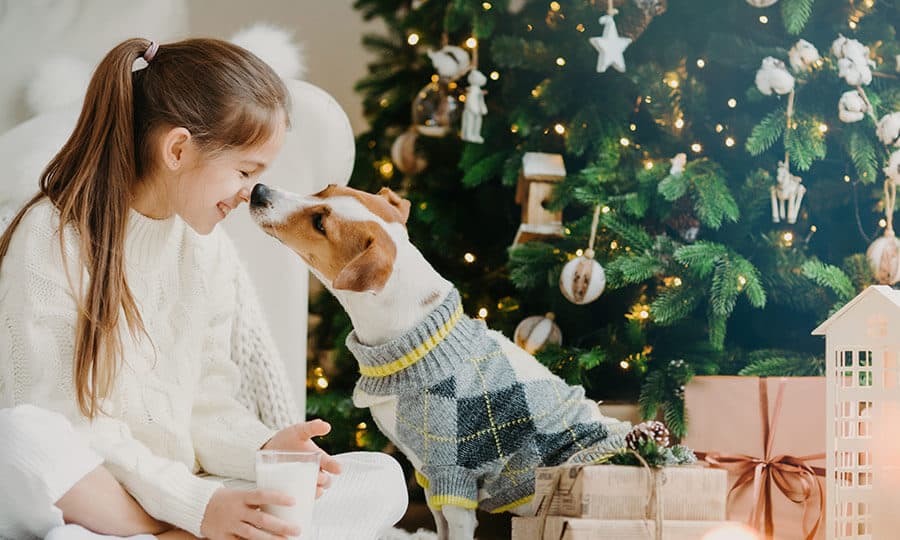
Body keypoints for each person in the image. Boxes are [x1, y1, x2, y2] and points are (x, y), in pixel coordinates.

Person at [0, 38, 407, 540]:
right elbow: (61, 422)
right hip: (96, 494)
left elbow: (209, 403)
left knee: (383, 481)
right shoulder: (51, 236)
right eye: (245, 170)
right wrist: (199, 506)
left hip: (179, 493)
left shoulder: (205, 251)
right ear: (177, 149)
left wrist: (266, 449)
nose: (249, 192)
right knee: (23, 437)